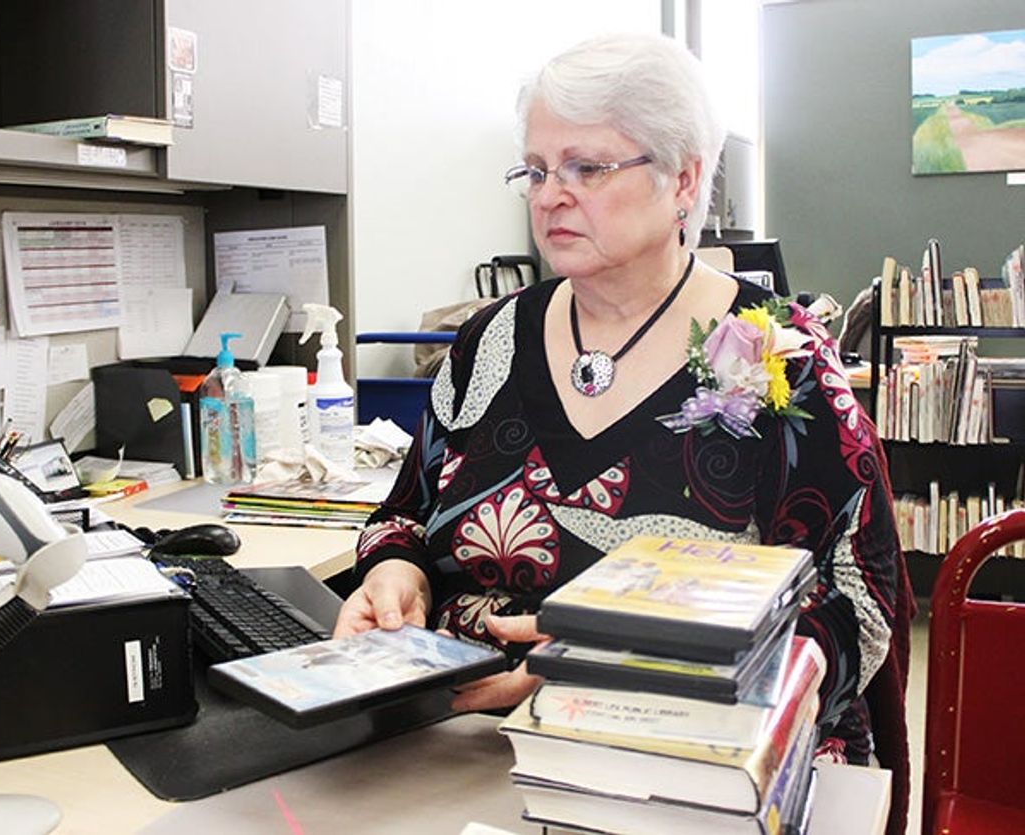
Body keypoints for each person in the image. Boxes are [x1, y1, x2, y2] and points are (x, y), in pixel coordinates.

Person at [336, 31, 909, 828]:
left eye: (587, 167)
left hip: (686, 778)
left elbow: (861, 602)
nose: (549, 195)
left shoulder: (777, 354)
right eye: (536, 170)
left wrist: (615, 673)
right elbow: (402, 515)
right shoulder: (487, 342)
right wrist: (398, 575)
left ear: (684, 178)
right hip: (457, 756)